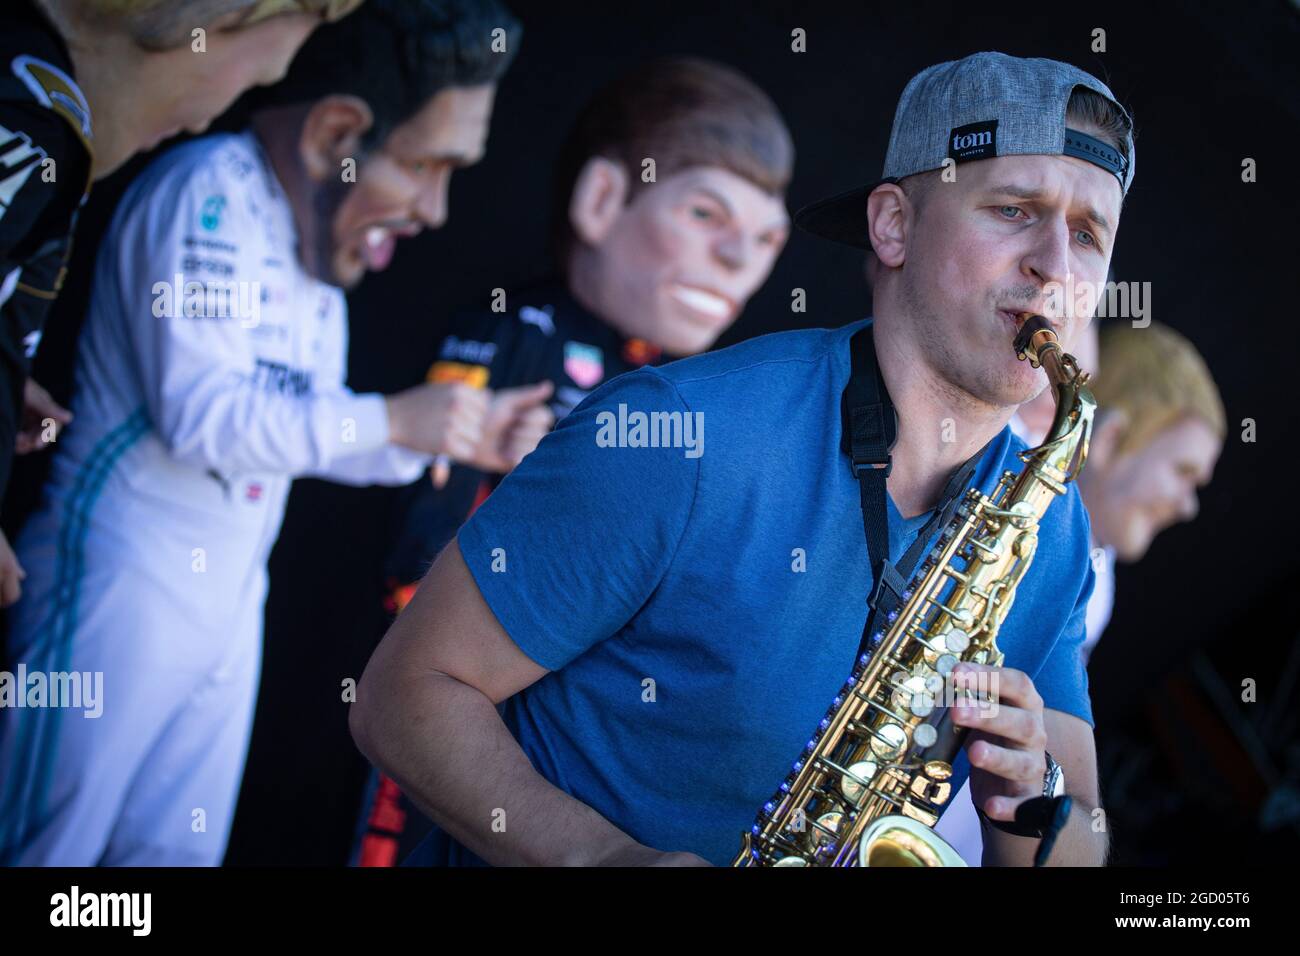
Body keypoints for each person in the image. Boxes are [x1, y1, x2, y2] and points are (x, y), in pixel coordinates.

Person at [351, 51, 1137, 867]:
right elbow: (401, 697)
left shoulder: (1051, 526)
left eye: (1088, 235)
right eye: (1014, 209)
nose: (1056, 266)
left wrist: (1031, 792)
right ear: (893, 225)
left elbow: (1085, 838)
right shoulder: (682, 435)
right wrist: (610, 860)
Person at [0, 0, 539, 866]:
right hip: (115, 586)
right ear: (337, 133)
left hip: (229, 599)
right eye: (427, 165)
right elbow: (202, 417)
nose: (436, 210)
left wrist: (444, 437)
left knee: (171, 860)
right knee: (45, 856)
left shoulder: (314, 257)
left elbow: (298, 434)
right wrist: (396, 417)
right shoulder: (206, 185)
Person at [352, 57, 794, 865]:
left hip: (575, 739)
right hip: (458, 694)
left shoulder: (696, 392)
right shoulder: (523, 332)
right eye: (705, 214)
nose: (738, 261)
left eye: (767, 240)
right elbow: (430, 524)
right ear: (600, 200)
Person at [0, 0, 364, 606]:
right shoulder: (35, 120)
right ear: (185, 20)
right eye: (251, 78)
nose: (205, 119)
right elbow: (202, 416)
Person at [937, 318, 1224, 864]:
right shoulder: (1012, 523)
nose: (1189, 506)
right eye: (1183, 472)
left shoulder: (1102, 571)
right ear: (1110, 437)